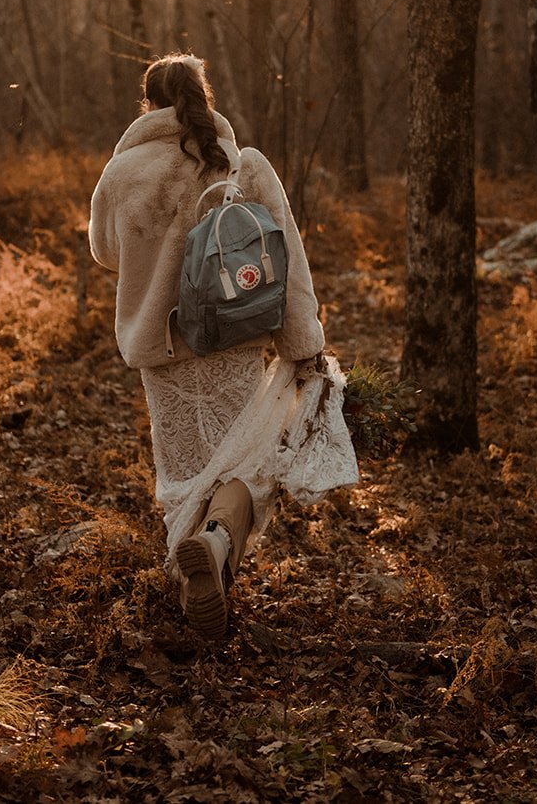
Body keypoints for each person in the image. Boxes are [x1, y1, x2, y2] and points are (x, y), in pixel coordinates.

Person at [89, 53, 346, 642]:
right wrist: (303, 346)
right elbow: (291, 262)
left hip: (163, 350)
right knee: (245, 462)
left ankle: (192, 587)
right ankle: (217, 545)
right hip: (235, 341)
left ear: (148, 104)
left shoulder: (121, 174)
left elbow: (105, 253)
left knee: (183, 471)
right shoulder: (243, 164)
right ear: (203, 96)